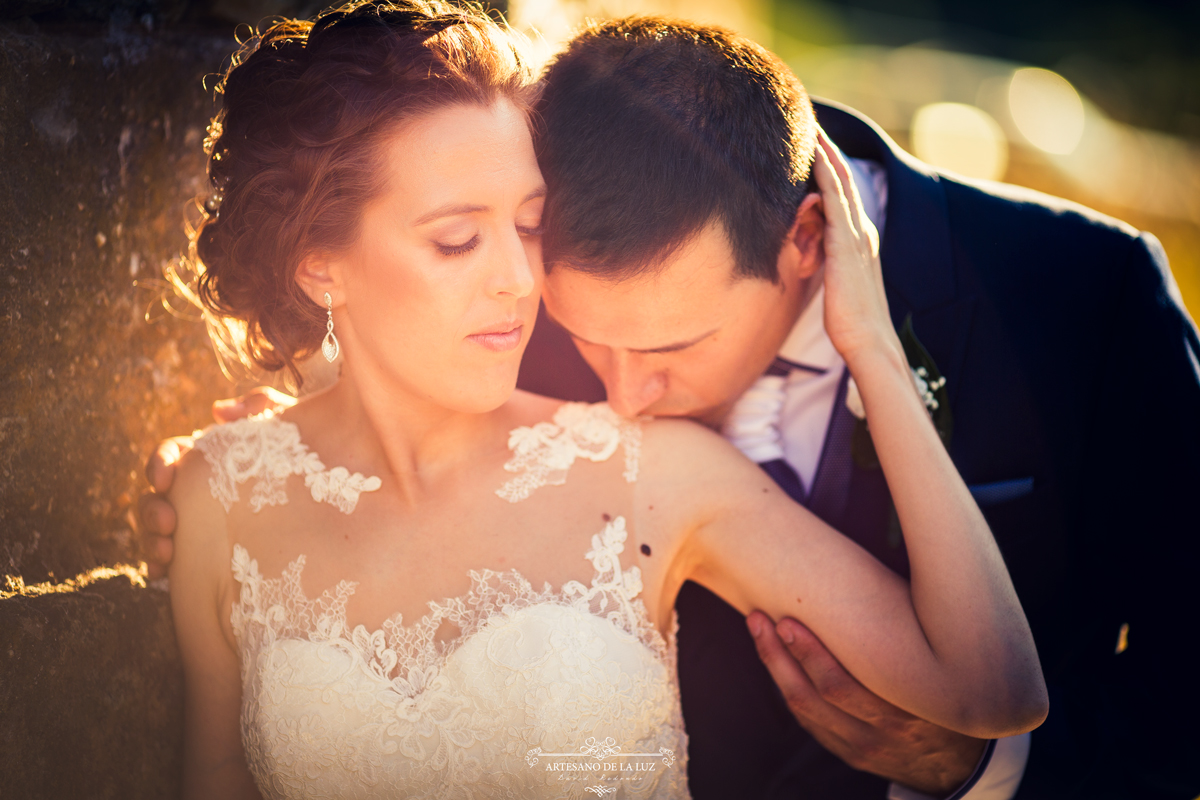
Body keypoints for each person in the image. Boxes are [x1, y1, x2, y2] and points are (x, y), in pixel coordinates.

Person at [140, 10, 1200, 800]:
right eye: (585, 334)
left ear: (806, 247)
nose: (622, 393)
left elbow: (1168, 691)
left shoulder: (1086, 297)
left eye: (672, 345)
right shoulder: (532, 267)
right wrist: (270, 463)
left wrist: (984, 770)